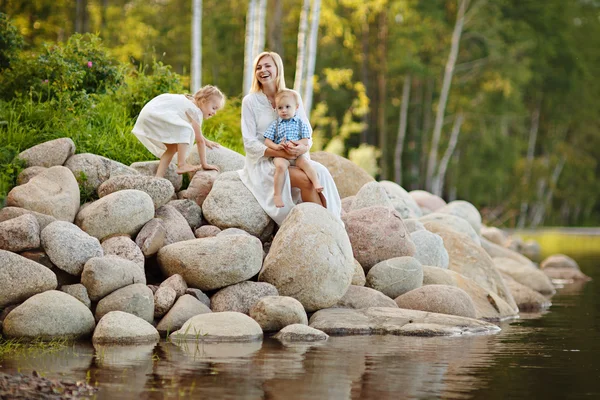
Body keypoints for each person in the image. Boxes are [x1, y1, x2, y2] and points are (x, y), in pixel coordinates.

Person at [239, 51, 342, 225]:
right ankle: (321, 226)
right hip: (265, 160)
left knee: (320, 172)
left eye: (267, 66)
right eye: (258, 67)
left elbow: (307, 132)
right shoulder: (250, 101)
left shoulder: (293, 96)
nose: (262, 70)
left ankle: (331, 222)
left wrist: (302, 147)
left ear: (277, 69)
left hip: (294, 156)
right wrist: (279, 153)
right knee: (305, 180)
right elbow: (249, 143)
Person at [132, 85, 224, 177]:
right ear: (203, 101)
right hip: (156, 115)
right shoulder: (196, 112)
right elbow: (199, 141)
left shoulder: (190, 101)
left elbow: (198, 134)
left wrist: (206, 141)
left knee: (172, 148)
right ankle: (182, 165)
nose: (214, 113)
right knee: (186, 129)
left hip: (150, 114)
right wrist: (205, 164)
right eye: (214, 108)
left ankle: (158, 177)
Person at [263, 89, 323, 208]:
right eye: (280, 108)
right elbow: (267, 140)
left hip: (297, 154)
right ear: (276, 109)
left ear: (296, 107)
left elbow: (306, 140)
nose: (284, 110)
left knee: (305, 163)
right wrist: (277, 146)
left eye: (287, 107)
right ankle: (277, 195)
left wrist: (296, 143)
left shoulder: (300, 123)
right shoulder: (275, 124)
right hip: (281, 154)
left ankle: (316, 183)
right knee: (280, 167)